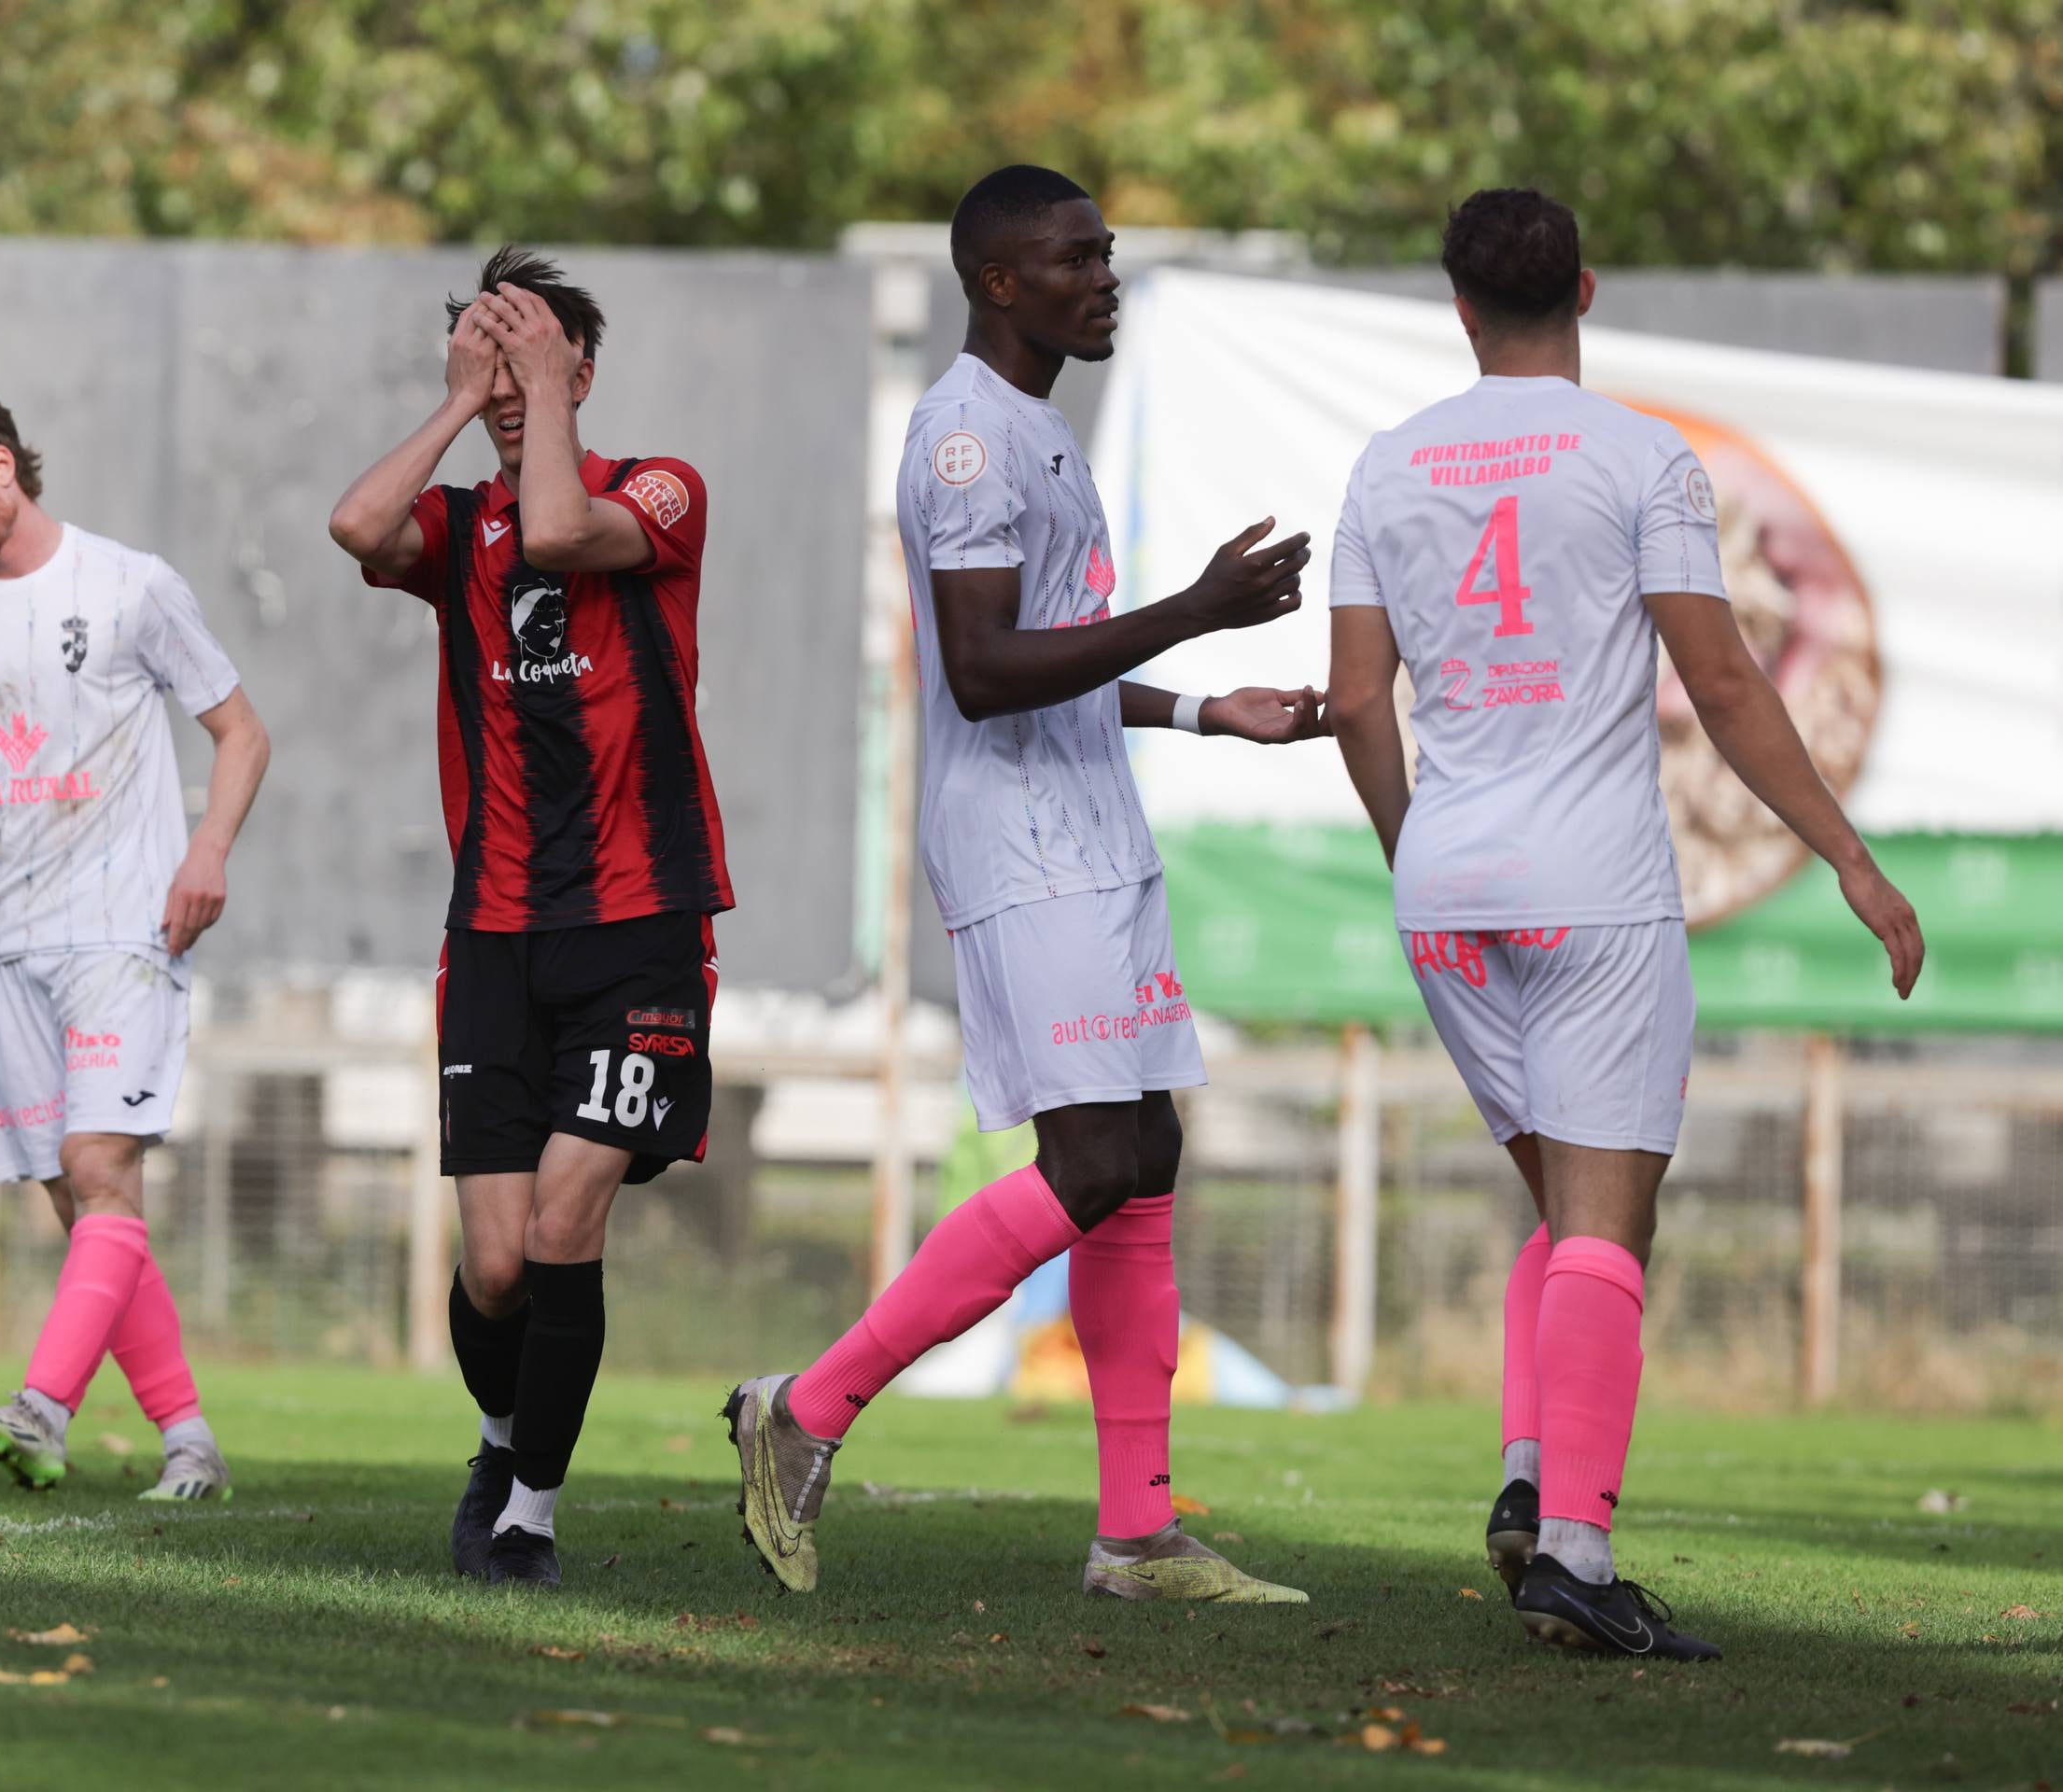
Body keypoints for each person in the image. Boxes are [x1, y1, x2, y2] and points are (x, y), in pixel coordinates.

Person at [1326, 189, 1924, 1659]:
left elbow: (1351, 704)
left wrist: (1422, 860)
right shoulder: (1640, 454)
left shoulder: (1386, 465)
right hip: (1591, 885)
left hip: (1448, 887)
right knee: (1606, 1224)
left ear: (1457, 306)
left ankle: (1532, 1486)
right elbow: (1721, 685)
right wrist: (1845, 859)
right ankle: (1575, 1558)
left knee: (1561, 1203)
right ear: (1582, 290)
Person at [724, 165, 1327, 1603]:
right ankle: (803, 1412)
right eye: (1075, 258)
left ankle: (1137, 1536)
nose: (1101, 277)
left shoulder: (1038, 430)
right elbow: (984, 674)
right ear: (998, 282)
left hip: (1094, 834)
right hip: (1016, 842)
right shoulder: (959, 441)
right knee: (1092, 1163)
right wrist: (1192, 605)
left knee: (1147, 1164)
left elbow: (1052, 661)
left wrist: (1199, 707)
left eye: (1105, 254)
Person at [327, 248, 733, 1589]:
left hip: (639, 929)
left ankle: (531, 1519)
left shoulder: (657, 489)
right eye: (486, 362)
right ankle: (499, 1445)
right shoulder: (457, 533)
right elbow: (353, 526)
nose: (511, 386)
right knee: (496, 1265)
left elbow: (561, 528)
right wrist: (459, 404)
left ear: (584, 371)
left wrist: (540, 393)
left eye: (536, 360)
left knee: (566, 1227)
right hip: (492, 935)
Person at [0, 376, 271, 1502]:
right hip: (0, 940)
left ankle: (41, 1410)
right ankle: (190, 1442)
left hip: (121, 927)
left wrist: (208, 852)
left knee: (100, 1170)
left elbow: (240, 733)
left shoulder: (131, 588)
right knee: (82, 1203)